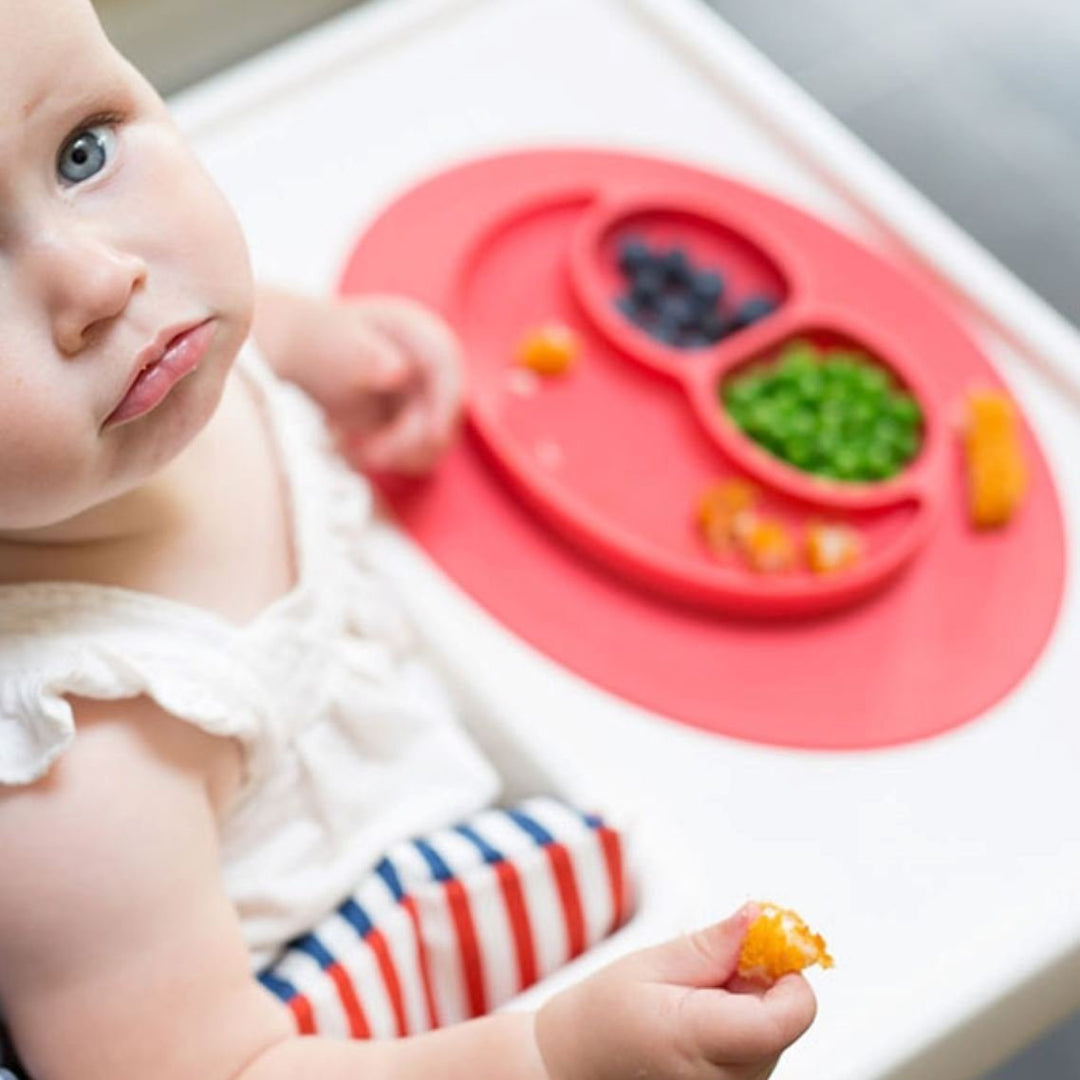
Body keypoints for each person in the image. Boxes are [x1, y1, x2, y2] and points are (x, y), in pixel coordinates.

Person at [0, 3, 818, 1079]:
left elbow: (234, 338)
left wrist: (315, 342)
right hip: (360, 1007)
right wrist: (550, 1057)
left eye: (83, 149)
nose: (104, 280)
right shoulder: (76, 773)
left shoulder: (135, 376)